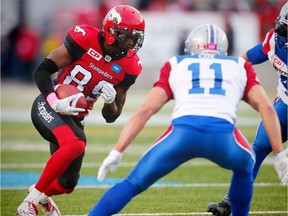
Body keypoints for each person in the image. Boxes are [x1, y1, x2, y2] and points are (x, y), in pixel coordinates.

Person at [87, 23, 284, 216]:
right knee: (246, 167)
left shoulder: (177, 64)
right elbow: (266, 107)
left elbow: (146, 110)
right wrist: (279, 153)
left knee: (132, 183)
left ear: (191, 47)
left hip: (182, 135)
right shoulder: (239, 66)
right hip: (223, 138)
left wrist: (117, 150)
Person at [16, 5, 145, 216]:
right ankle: (29, 202)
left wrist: (110, 101)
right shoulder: (84, 39)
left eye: (135, 39)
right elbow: (42, 70)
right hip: (50, 103)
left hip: (75, 116)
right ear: (111, 31)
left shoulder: (130, 66)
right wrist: (53, 100)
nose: (131, 44)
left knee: (67, 184)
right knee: (76, 143)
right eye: (127, 37)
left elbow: (111, 116)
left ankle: (40, 195)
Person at [207, 3, 288, 216]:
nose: (284, 37)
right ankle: (231, 201)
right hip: (285, 104)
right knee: (256, 151)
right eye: (283, 30)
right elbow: (245, 59)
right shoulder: (274, 40)